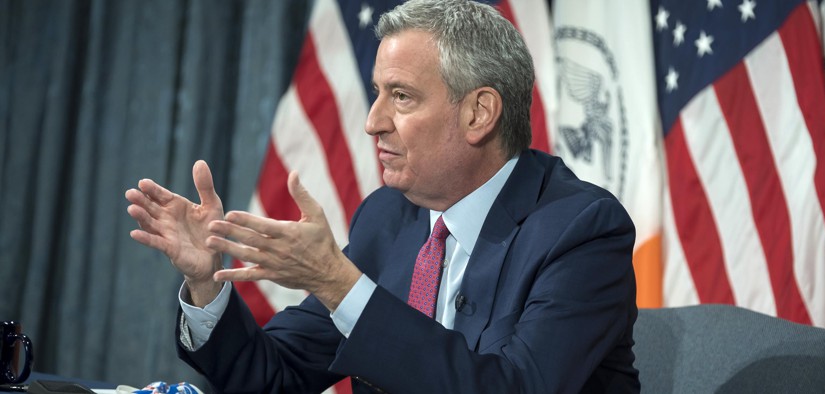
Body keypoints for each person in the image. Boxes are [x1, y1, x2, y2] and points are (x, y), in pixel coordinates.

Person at [125, 0, 639, 392]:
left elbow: (514, 387)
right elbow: (272, 378)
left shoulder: (582, 232)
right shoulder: (388, 220)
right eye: (377, 93)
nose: (373, 123)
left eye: (401, 96)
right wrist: (205, 287)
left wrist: (340, 285)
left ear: (479, 113)